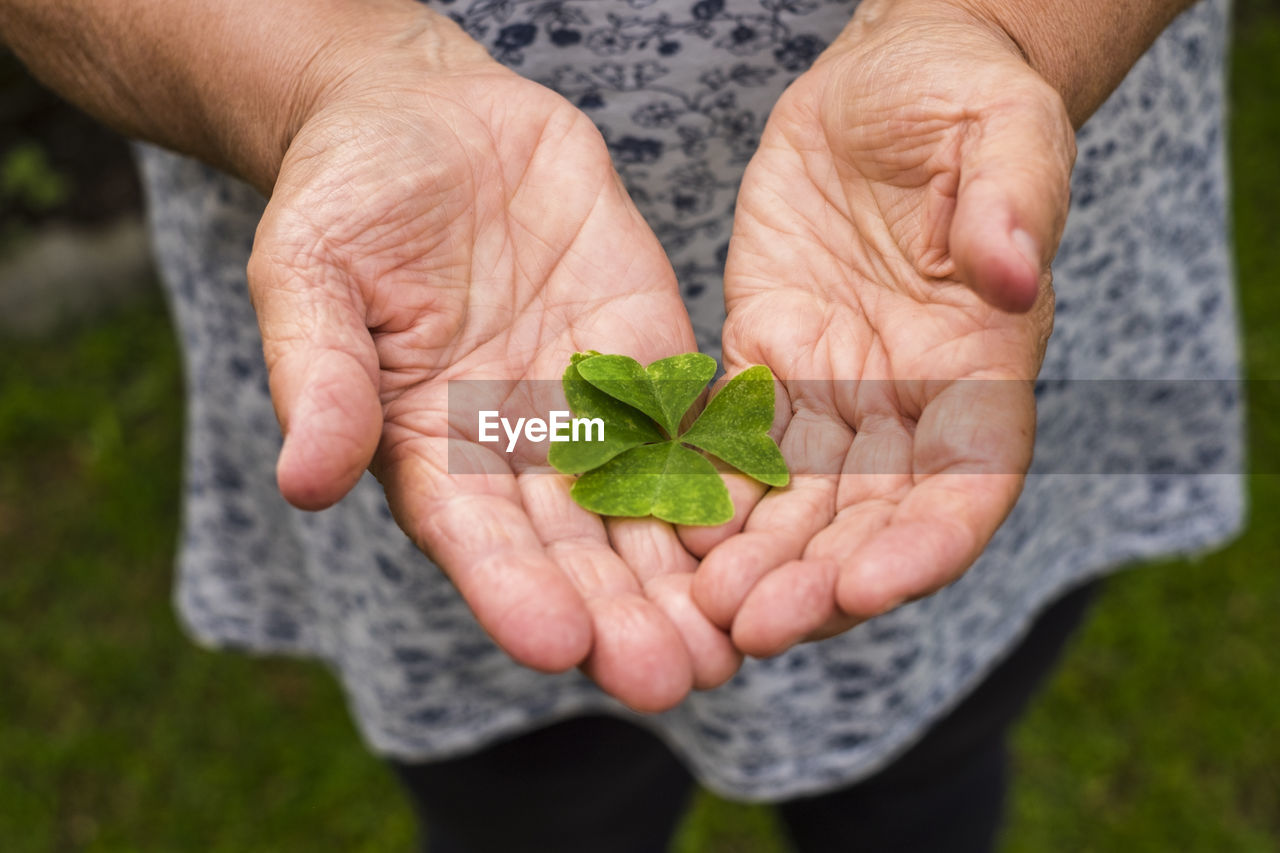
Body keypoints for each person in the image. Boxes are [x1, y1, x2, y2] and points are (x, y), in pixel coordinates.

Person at [1, 0, 1243, 848]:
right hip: (437, 325)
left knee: (937, 735)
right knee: (529, 791)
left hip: (946, 262)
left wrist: (1004, 28)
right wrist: (317, 75)